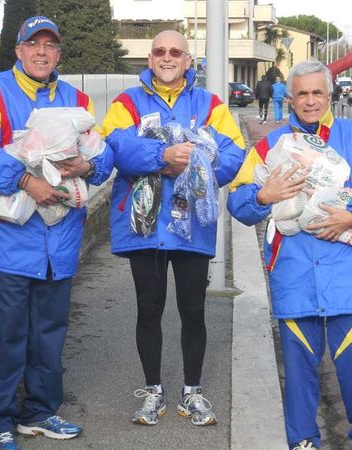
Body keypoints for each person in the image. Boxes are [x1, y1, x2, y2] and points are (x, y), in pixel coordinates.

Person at [227, 60, 352, 450]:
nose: (310, 101)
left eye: (317, 93)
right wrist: (262, 196)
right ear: (289, 97)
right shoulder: (269, 147)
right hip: (294, 273)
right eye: (302, 93)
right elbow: (238, 202)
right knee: (298, 369)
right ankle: (303, 441)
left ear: (330, 96)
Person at [0, 16, 114, 450]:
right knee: (5, 333)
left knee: (49, 332)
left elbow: (100, 158)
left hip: (59, 240)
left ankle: (40, 411)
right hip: (8, 241)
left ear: (59, 53)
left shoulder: (77, 98)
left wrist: (87, 166)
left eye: (50, 45)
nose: (42, 52)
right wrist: (28, 182)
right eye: (34, 44)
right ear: (19, 50)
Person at [102, 30, 245, 427]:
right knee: (149, 309)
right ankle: (153, 391)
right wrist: (163, 156)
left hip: (192, 227)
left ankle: (192, 393)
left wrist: (195, 168)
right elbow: (115, 146)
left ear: (187, 61)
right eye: (160, 51)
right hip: (144, 226)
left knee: (194, 311)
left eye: (175, 52)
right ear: (150, 60)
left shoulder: (210, 103)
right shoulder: (126, 102)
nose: (167, 57)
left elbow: (234, 153)